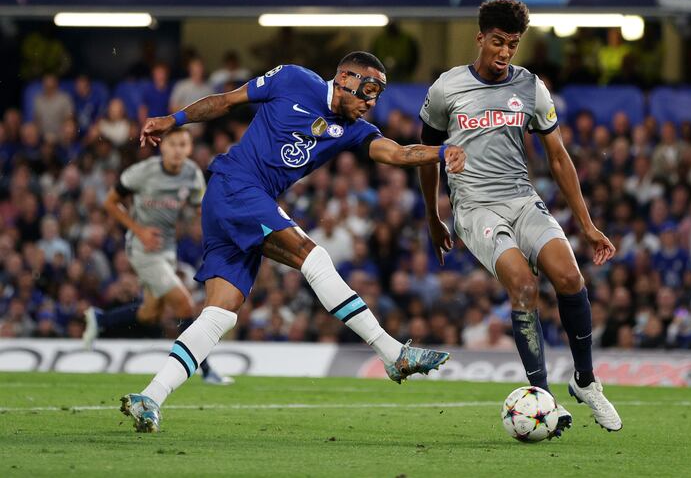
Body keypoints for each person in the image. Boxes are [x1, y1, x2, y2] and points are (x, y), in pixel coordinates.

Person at [122, 52, 466, 433]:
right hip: (236, 186)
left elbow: (399, 153)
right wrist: (174, 120)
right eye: (368, 90)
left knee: (220, 313)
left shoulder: (353, 129)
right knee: (311, 256)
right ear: (346, 78)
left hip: (239, 205)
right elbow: (226, 101)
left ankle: (150, 396)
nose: (371, 102)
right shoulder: (292, 79)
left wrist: (440, 152)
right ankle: (392, 353)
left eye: (378, 96)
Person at [418, 0, 622, 434]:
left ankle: (585, 381)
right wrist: (434, 216)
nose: (505, 53)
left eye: (513, 44)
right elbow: (424, 156)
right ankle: (542, 397)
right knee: (524, 285)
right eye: (498, 42)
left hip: (522, 199)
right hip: (474, 206)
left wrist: (586, 225)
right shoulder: (446, 89)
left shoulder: (531, 88)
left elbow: (559, 157)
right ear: (480, 38)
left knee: (569, 277)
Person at [82, 127, 232, 385]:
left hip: (167, 249)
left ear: (189, 148)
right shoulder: (144, 172)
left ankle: (101, 319)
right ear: (162, 146)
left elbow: (202, 207)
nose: (177, 150)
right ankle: (206, 371)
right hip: (142, 249)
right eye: (172, 144)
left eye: (183, 145)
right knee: (184, 305)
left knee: (150, 313)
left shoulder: (191, 174)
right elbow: (110, 202)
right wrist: (139, 231)